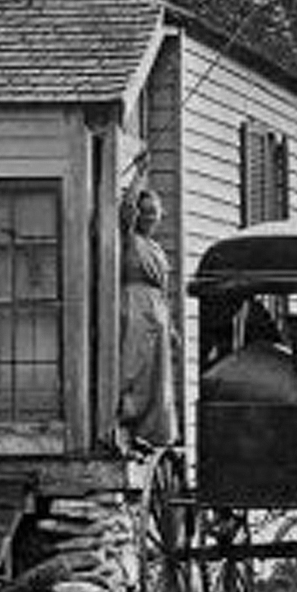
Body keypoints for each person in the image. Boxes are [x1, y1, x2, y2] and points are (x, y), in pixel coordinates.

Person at [115, 187, 178, 452]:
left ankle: (149, 432)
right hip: (135, 309)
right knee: (135, 368)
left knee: (157, 376)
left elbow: (163, 290)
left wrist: (171, 326)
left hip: (157, 311)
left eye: (155, 212)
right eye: (145, 211)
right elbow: (126, 212)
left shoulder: (156, 248)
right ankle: (129, 424)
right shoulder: (129, 239)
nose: (150, 217)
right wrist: (139, 175)